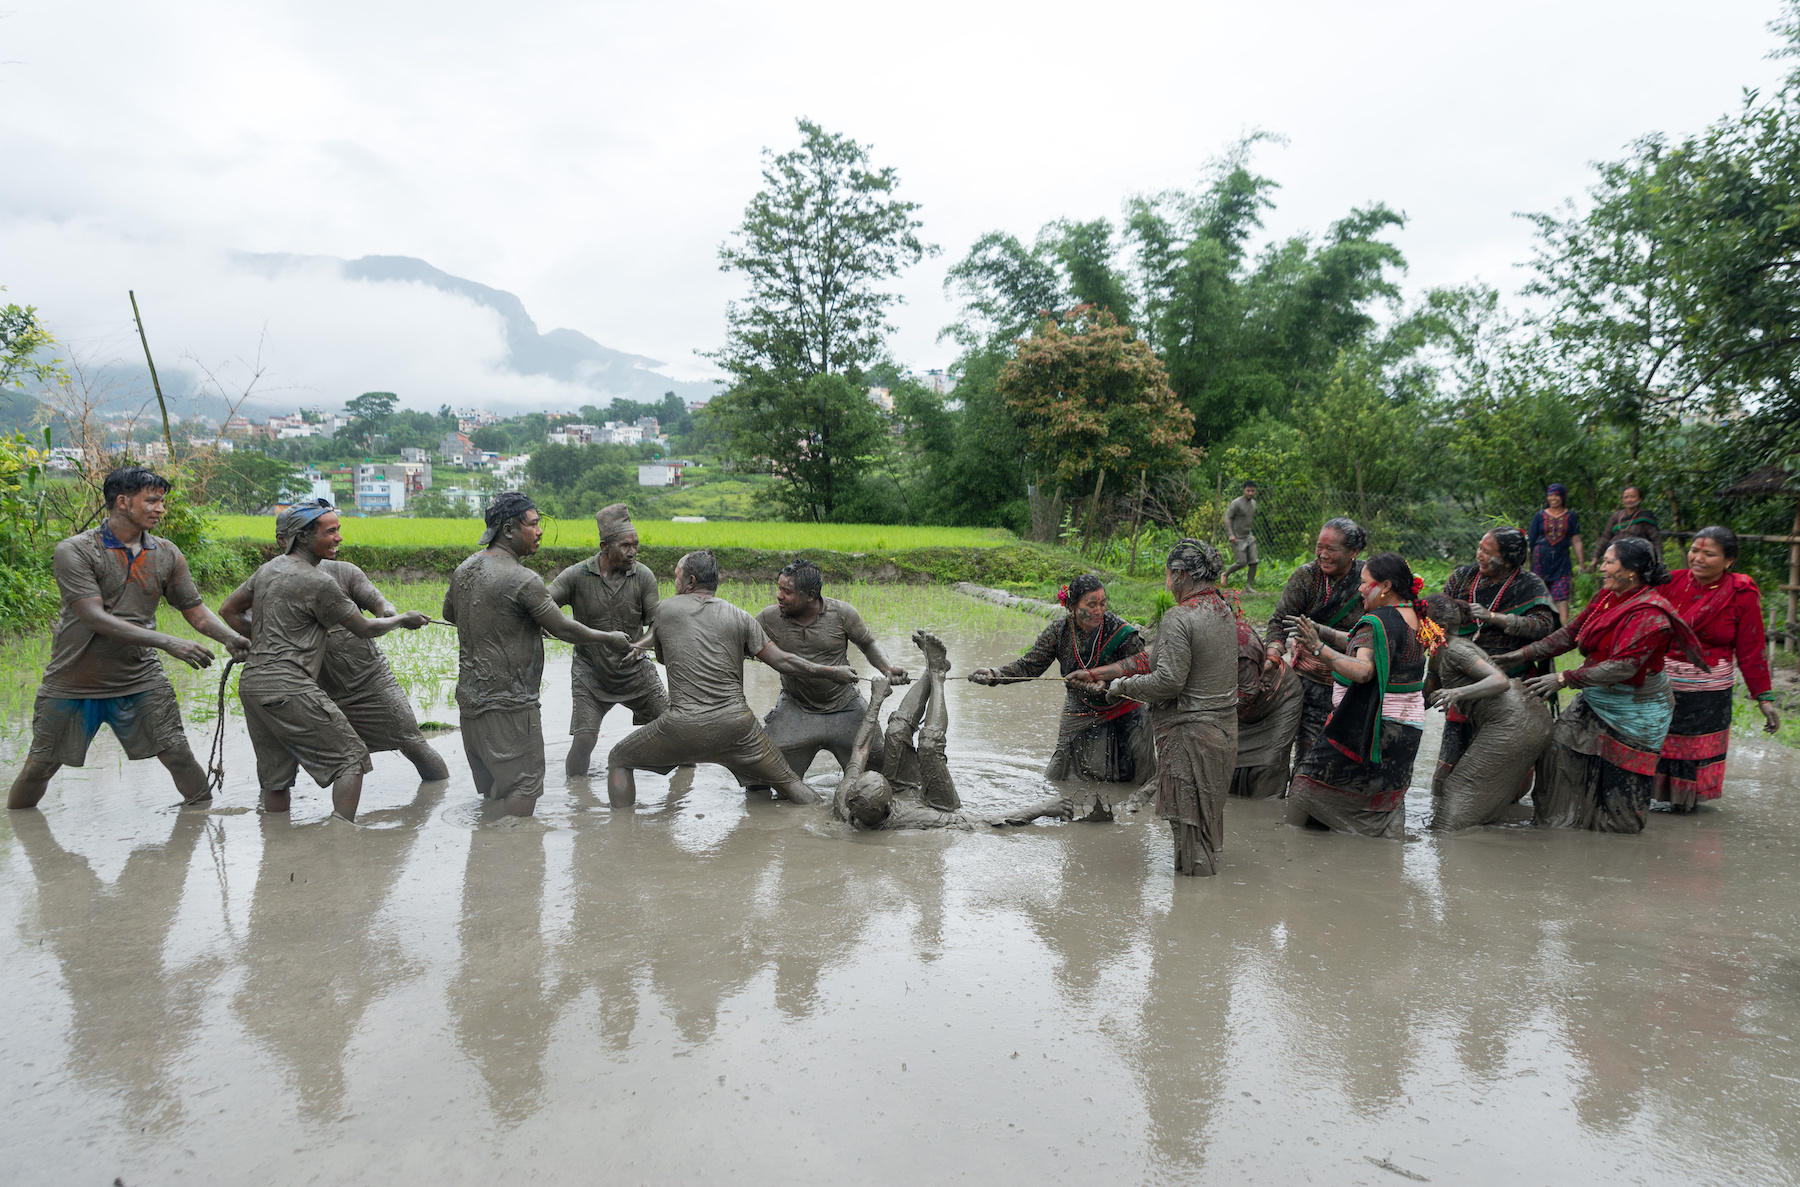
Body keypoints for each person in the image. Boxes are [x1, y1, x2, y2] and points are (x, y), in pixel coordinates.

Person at [9, 466, 249, 811]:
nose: (160, 509)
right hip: (74, 680)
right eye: (152, 501)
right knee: (40, 766)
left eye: (162, 501)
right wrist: (168, 642)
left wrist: (230, 637)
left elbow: (194, 609)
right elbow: (93, 617)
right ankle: (22, 830)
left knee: (178, 754)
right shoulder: (75, 550)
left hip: (139, 677)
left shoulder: (166, 553)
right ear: (122, 502)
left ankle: (199, 825)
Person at [220, 501, 429, 821]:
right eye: (330, 531)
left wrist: (262, 641)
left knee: (275, 778)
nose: (339, 538)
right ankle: (338, 839)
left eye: (338, 530)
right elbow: (364, 628)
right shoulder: (318, 582)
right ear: (301, 537)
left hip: (254, 685)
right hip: (292, 685)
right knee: (351, 760)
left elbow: (228, 610)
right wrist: (402, 619)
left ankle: (277, 843)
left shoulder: (269, 570)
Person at [607, 549, 860, 809]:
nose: (675, 583)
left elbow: (662, 656)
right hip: (738, 727)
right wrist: (833, 672)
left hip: (683, 725)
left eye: (676, 577)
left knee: (618, 759)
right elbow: (784, 661)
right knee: (791, 783)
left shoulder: (667, 608)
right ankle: (827, 823)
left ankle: (624, 838)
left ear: (691, 581)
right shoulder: (740, 616)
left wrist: (637, 647)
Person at [441, 493, 639, 817]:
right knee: (523, 789)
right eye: (533, 524)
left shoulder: (464, 569)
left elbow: (450, 612)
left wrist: (507, 622)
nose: (540, 531)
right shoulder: (522, 579)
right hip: (511, 707)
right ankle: (516, 858)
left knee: (494, 793)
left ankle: (485, 860)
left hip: (470, 706)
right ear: (508, 530)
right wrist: (611, 639)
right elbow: (565, 628)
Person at [1495, 537, 1707, 834]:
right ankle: (1556, 829)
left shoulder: (1651, 615)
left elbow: (1623, 667)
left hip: (1635, 713)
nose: (1602, 567)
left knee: (1621, 814)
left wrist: (1563, 679)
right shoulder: (1605, 597)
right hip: (1595, 697)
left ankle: (1610, 850)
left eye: (1609, 562)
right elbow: (1569, 634)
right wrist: (1516, 656)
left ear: (1632, 571)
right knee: (1557, 753)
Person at [227, 535, 450, 783]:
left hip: (368, 680)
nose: (336, 538)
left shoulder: (342, 572)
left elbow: (377, 602)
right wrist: (258, 640)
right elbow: (235, 612)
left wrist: (389, 614)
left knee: (413, 743)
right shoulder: (271, 576)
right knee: (279, 766)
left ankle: (439, 792)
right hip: (312, 691)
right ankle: (291, 818)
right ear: (285, 539)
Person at [1090, 540, 1238, 876]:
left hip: (1190, 739)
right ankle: (1199, 909)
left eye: (1168, 576)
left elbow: (1169, 682)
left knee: (1189, 835)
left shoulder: (1179, 617)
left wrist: (1122, 687)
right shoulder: (1223, 610)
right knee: (1203, 827)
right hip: (1223, 734)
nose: (1167, 584)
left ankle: (1192, 918)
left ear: (1181, 575)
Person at [1288, 552, 1443, 839]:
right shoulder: (1416, 616)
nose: (1360, 588)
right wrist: (1321, 631)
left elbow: (1363, 670)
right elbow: (1363, 643)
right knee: (1385, 796)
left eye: (1364, 582)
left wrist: (1318, 648)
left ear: (1384, 586)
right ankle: (1384, 853)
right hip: (1408, 730)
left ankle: (1290, 844)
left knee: (1306, 783)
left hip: (1370, 727)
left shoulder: (1377, 620)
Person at [834, 635, 1060, 830]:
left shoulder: (846, 801)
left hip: (901, 790)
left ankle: (928, 670)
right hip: (938, 803)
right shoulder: (913, 818)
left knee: (895, 731)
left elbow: (860, 749)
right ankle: (938, 674)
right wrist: (1041, 809)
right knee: (930, 746)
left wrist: (876, 699)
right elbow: (984, 823)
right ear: (889, 806)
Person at [969, 576, 1153, 808]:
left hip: (1125, 707)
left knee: (1138, 777)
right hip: (1079, 706)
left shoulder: (1121, 632)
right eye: (1091, 605)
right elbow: (1029, 666)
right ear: (1072, 607)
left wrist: (1107, 684)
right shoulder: (1059, 632)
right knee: (1058, 772)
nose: (1099, 611)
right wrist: (995, 674)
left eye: (1103, 603)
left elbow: (1144, 668)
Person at [1652, 526, 1778, 811]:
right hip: (1662, 688)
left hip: (1709, 695)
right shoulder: (1670, 582)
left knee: (1694, 755)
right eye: (1694, 550)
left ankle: (1686, 807)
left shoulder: (1741, 593)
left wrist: (1764, 698)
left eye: (1708, 554)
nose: (1697, 558)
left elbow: (1751, 648)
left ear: (1728, 560)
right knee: (1659, 745)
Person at [756, 558, 910, 781]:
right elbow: (743, 645)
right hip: (796, 707)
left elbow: (868, 643)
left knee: (883, 775)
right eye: (779, 589)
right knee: (762, 775)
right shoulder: (768, 618)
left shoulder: (842, 613)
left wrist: (887, 667)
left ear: (810, 595)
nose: (779, 596)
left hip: (845, 706)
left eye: (787, 591)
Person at [546, 503, 668, 778]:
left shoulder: (643, 576)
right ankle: (576, 794)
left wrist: (640, 646)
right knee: (584, 739)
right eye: (625, 546)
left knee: (674, 729)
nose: (632, 551)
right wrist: (544, 623)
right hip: (591, 673)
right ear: (604, 547)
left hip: (635, 669)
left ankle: (684, 785)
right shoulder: (577, 575)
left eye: (635, 545)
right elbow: (543, 602)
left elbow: (656, 623)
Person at [1421, 595, 1552, 831]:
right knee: (1471, 795)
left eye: (1422, 620)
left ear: (1441, 628)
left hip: (1516, 722)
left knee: (1457, 796)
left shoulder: (1455, 651)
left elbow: (1500, 681)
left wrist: (1458, 693)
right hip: (1521, 720)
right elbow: (1425, 698)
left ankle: (1452, 848)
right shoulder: (1436, 653)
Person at [1265, 517, 1369, 780]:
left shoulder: (1368, 581)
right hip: (1306, 682)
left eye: (1331, 549)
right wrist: (1273, 655)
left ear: (1353, 552)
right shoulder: (1306, 576)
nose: (1323, 554)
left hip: (1352, 684)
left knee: (1344, 757)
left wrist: (1324, 636)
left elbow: (1375, 635)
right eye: (1319, 546)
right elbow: (1279, 621)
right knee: (1305, 755)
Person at [1529, 484, 1585, 624]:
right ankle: (1540, 626)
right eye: (1550, 495)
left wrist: (1581, 563)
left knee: (1561, 596)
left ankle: (1562, 628)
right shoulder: (1539, 516)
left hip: (1561, 560)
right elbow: (1531, 540)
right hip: (1540, 560)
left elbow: (1576, 540)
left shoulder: (1571, 516)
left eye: (1556, 495)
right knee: (1540, 595)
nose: (1553, 498)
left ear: (1562, 497)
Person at [1592, 485, 1664, 571]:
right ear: (1622, 500)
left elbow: (1656, 540)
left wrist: (1659, 560)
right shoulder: (1616, 516)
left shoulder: (1645, 517)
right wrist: (1595, 558)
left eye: (1633, 497)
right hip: (1615, 556)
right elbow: (1605, 538)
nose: (1629, 500)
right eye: (1626, 497)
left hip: (1636, 557)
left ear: (1640, 499)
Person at [1222, 481, 1260, 591]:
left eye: (1253, 491)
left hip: (1248, 536)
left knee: (1254, 561)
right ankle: (1225, 574)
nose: (1250, 493)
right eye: (1248, 490)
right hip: (1237, 537)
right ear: (1244, 490)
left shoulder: (1254, 503)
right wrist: (1231, 534)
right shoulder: (1236, 503)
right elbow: (1227, 518)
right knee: (1241, 562)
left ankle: (1248, 586)